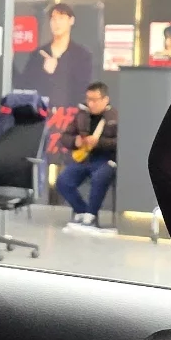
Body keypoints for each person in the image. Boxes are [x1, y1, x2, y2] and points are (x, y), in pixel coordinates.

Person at [54, 82, 118, 233]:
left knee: (99, 177)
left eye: (95, 100)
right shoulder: (81, 114)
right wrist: (74, 141)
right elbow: (65, 137)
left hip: (107, 159)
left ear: (105, 99)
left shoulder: (115, 116)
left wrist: (99, 143)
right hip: (85, 158)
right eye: (88, 99)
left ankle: (91, 216)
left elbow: (121, 142)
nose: (91, 103)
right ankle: (82, 211)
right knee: (63, 181)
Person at [17, 1, 95, 111]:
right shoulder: (39, 54)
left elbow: (83, 89)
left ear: (71, 20)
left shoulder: (82, 55)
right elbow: (26, 86)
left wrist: (57, 69)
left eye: (61, 18)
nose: (57, 23)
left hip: (70, 115)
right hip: (42, 114)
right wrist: (45, 73)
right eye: (53, 19)